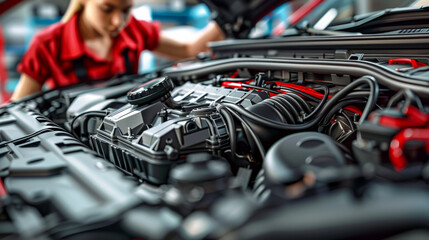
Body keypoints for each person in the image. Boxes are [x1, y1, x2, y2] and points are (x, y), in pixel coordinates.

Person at [10, 0, 225, 101]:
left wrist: (227, 18)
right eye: (107, 9)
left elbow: (189, 50)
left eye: (126, 10)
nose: (118, 21)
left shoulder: (134, 29)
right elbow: (17, 107)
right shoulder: (48, 43)